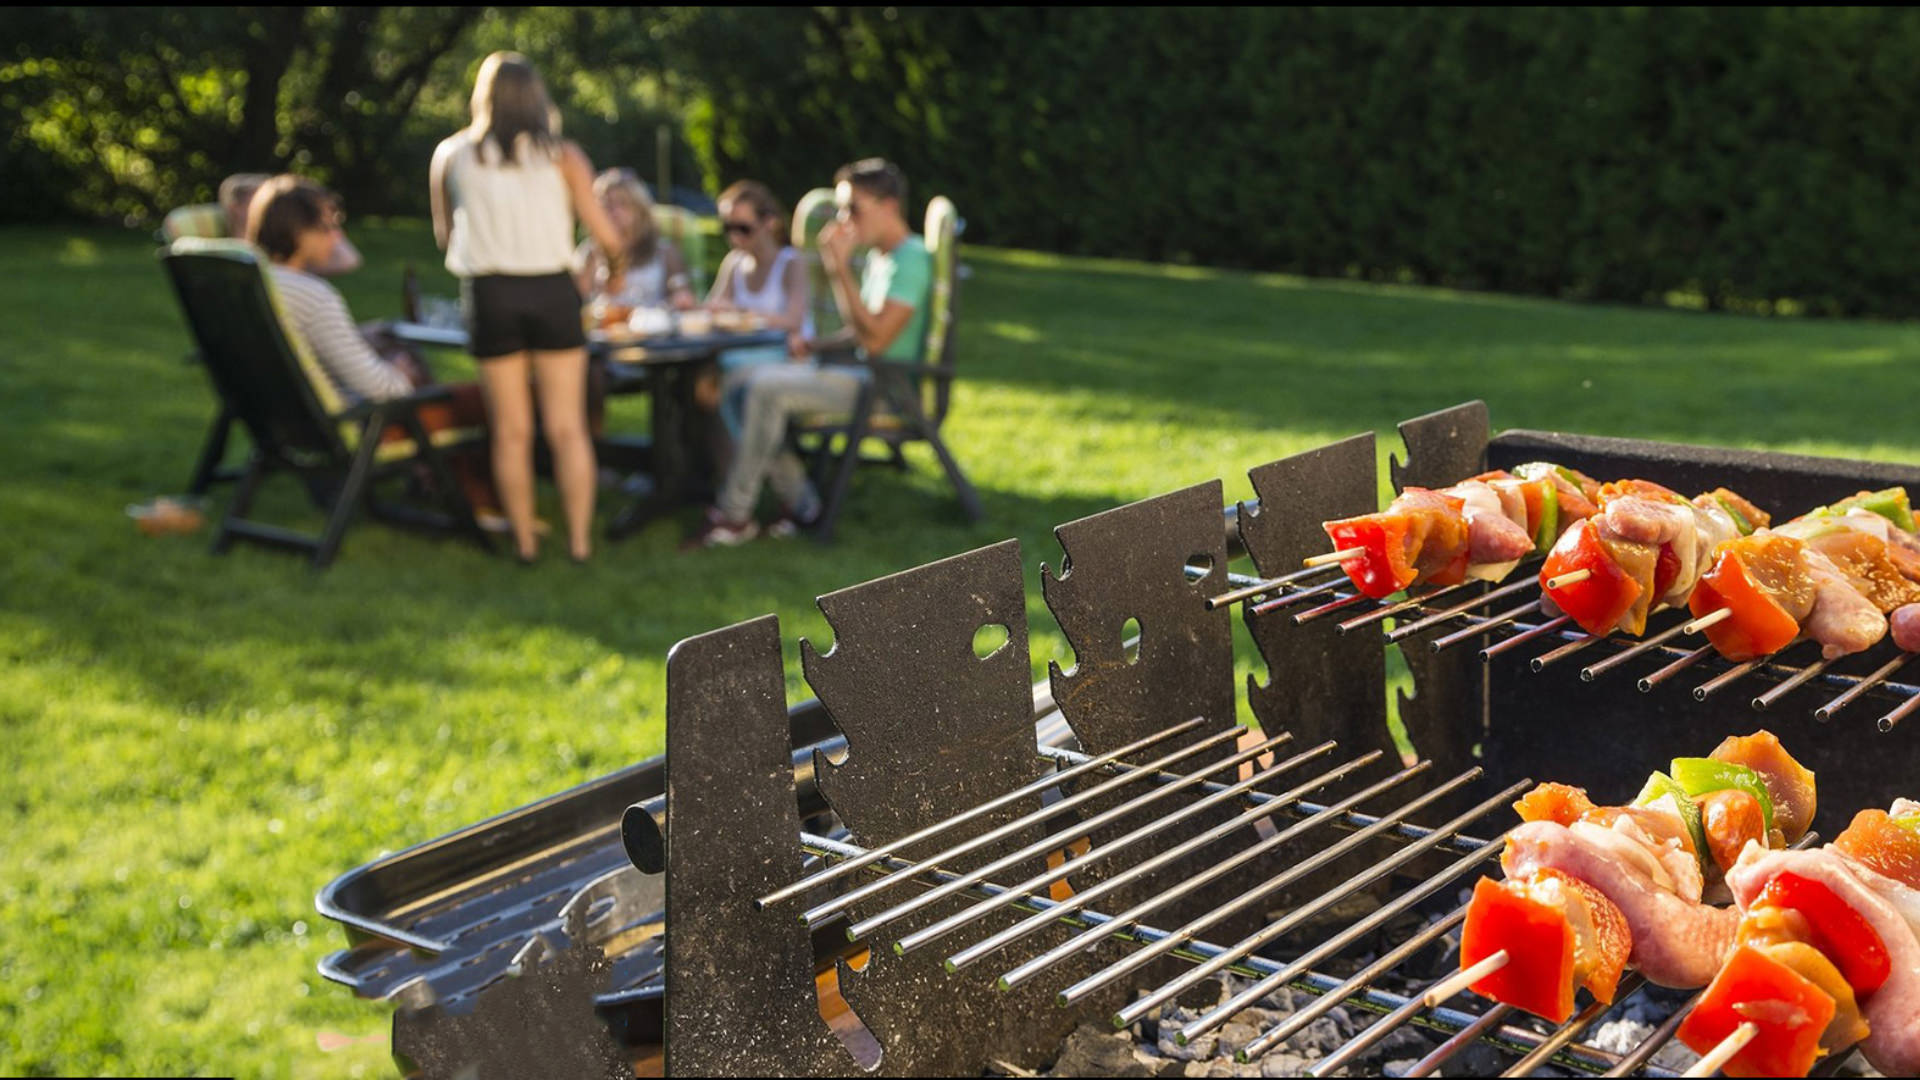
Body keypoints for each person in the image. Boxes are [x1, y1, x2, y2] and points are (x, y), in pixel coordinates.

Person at [430, 51, 627, 565]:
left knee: (512, 431)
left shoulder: (451, 154)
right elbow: (607, 237)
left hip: (490, 293)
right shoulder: (564, 157)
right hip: (552, 293)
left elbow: (444, 234)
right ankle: (581, 545)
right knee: (568, 427)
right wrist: (616, 270)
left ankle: (524, 545)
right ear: (539, 97)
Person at [687, 158, 930, 547]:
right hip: (862, 373)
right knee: (738, 383)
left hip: (885, 388)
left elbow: (879, 340)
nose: (845, 220)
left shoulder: (910, 259)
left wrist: (838, 269)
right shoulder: (882, 258)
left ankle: (734, 514)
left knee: (764, 388)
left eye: (853, 209)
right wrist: (816, 345)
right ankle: (802, 504)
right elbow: (862, 330)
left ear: (888, 206)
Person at [248, 175, 505, 528]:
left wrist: (366, 339)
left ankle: (442, 483)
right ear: (297, 231)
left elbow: (297, 351)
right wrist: (401, 370)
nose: (337, 237)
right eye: (328, 227)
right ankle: (478, 502)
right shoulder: (313, 296)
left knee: (398, 347)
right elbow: (386, 390)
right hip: (354, 425)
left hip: (284, 418)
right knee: (485, 398)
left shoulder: (255, 282)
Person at [697, 180, 813, 436]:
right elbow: (713, 307)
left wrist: (740, 314)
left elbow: (794, 320)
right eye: (728, 227)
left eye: (744, 228)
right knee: (696, 377)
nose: (735, 236)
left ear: (769, 223)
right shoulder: (734, 263)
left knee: (723, 379)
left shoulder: (791, 262)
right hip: (741, 352)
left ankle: (748, 463)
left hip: (786, 353)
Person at [574, 169, 695, 315]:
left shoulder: (665, 251)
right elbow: (575, 300)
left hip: (651, 331)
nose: (613, 212)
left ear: (639, 209)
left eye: (622, 203)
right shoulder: (590, 251)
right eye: (605, 205)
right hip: (603, 332)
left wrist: (680, 297)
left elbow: (681, 291)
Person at [224, 172, 362, 276]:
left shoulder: (248, 277)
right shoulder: (315, 295)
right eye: (324, 227)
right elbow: (349, 260)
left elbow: (350, 260)